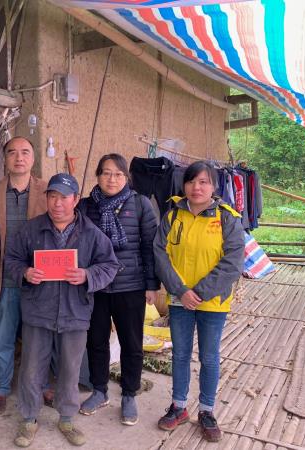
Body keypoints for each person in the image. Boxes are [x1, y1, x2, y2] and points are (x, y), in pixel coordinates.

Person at [5, 173, 120, 447]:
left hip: (75, 312)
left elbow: (110, 265)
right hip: (38, 310)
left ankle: (66, 418)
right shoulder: (31, 230)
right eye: (52, 196)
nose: (57, 203)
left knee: (70, 369)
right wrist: (25, 272)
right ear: (46, 198)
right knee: (31, 368)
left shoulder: (91, 233)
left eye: (64, 197)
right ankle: (29, 418)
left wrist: (87, 275)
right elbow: (11, 259)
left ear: (75, 200)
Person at [153, 160, 244, 442]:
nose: (196, 187)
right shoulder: (172, 215)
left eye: (204, 182)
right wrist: (181, 291)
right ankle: (178, 406)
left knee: (209, 357)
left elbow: (233, 262)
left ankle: (206, 410)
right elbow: (160, 254)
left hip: (212, 302)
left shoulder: (227, 218)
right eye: (191, 181)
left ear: (214, 186)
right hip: (179, 299)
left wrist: (200, 292)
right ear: (184, 184)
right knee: (180, 354)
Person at [77, 153, 160, 425]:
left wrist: (152, 285)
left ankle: (129, 393)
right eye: (106, 173)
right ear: (98, 176)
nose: (111, 179)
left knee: (131, 343)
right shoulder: (86, 206)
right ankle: (99, 390)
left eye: (118, 174)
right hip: (96, 287)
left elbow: (149, 247)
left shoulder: (140, 204)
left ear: (126, 177)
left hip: (131, 285)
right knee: (96, 341)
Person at [0, 136, 47, 415]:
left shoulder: (47, 191)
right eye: (12, 152)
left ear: (33, 158)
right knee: (3, 336)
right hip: (6, 278)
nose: (19, 158)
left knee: (38, 339)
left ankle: (40, 385)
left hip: (39, 278)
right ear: (5, 158)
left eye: (25, 152)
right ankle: (0, 388)